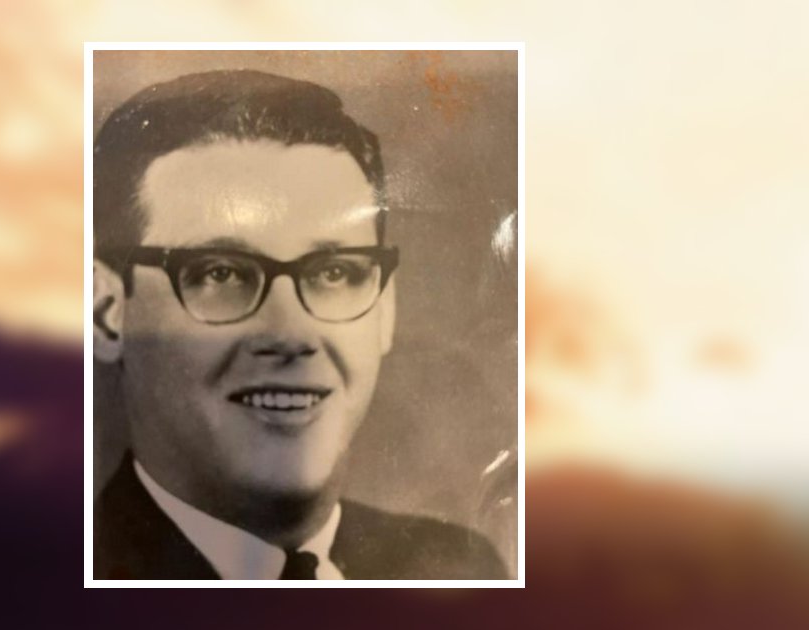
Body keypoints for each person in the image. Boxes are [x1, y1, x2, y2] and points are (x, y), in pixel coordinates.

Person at [92, 69, 507, 580]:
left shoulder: (462, 570)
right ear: (106, 312)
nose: (292, 335)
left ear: (385, 308)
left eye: (335, 273)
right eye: (220, 273)